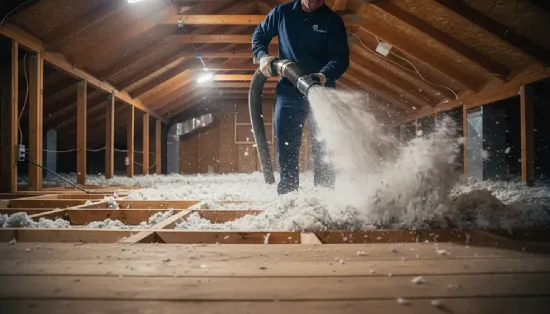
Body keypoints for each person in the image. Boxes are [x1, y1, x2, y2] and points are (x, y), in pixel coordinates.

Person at [251, 0, 350, 195]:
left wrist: (323, 75)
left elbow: (340, 58)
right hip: (289, 91)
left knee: (324, 147)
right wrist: (262, 56)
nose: (315, 2)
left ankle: (325, 196)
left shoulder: (332, 20)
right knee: (286, 144)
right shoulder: (282, 13)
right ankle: (288, 195)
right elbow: (259, 36)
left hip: (321, 90)